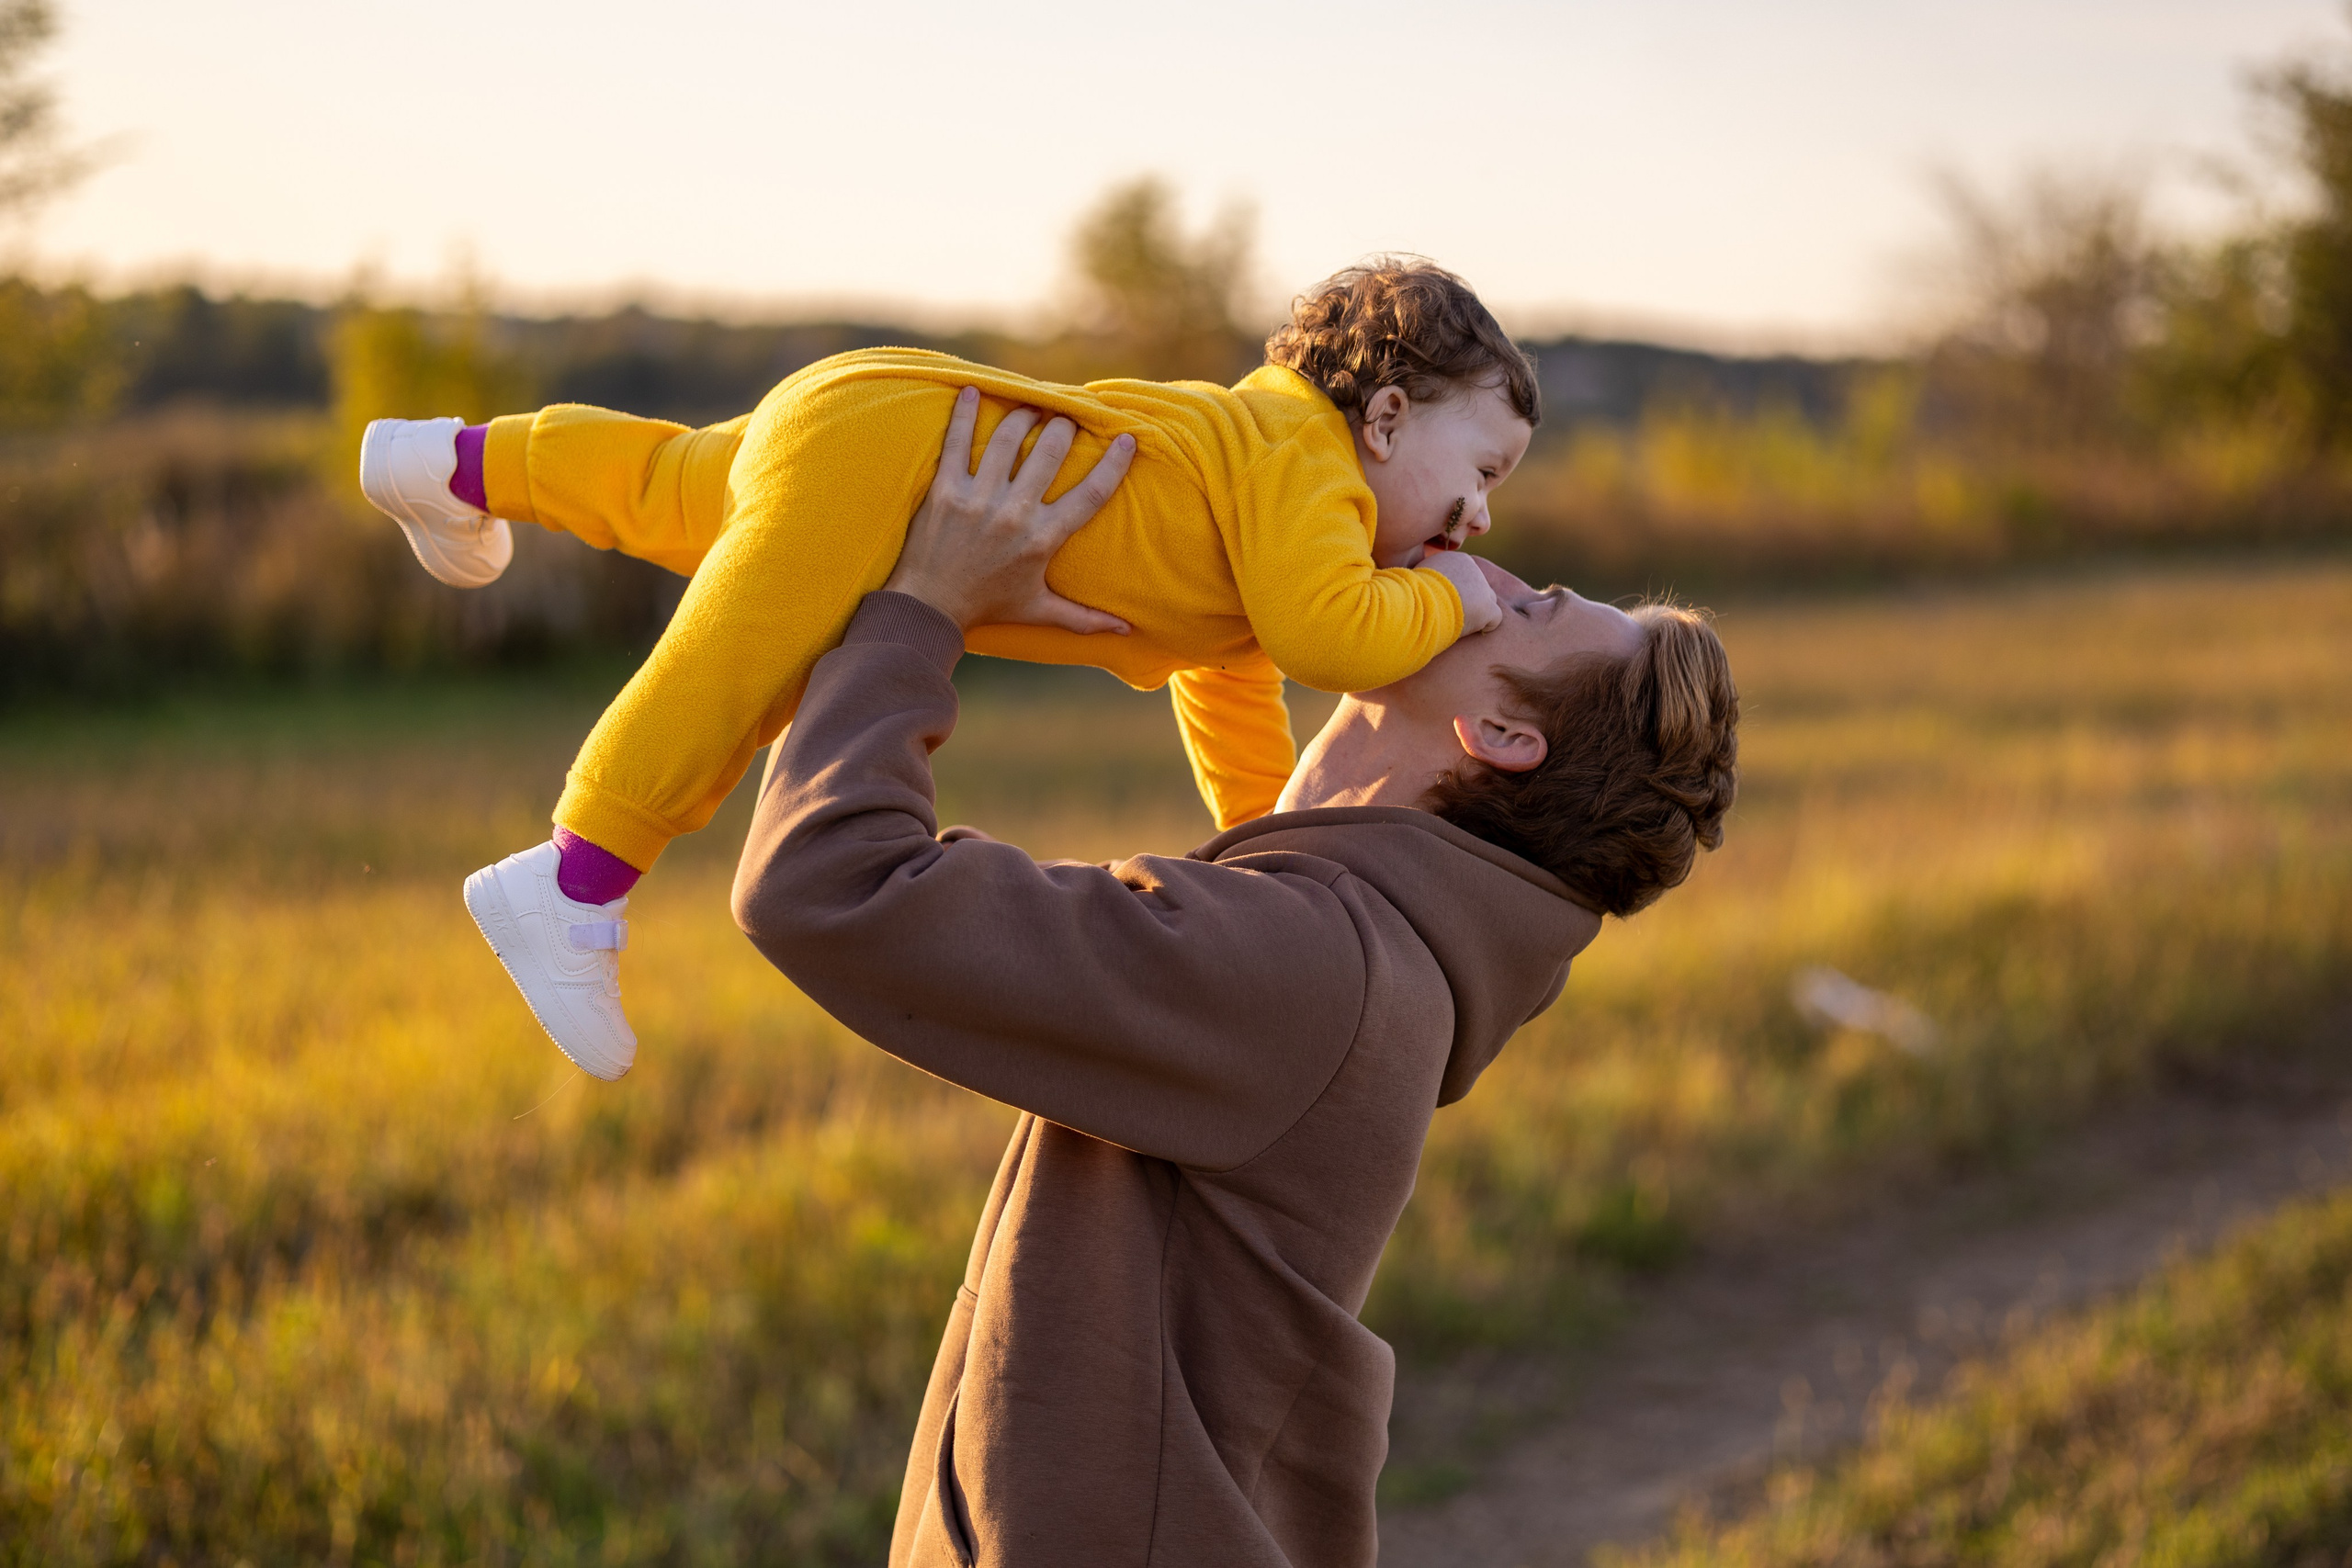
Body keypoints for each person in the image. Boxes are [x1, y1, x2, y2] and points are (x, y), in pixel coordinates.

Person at [729, 387, 1739, 1566]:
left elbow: (826, 882)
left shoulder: (1315, 965)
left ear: (1505, 736)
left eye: (1528, 609)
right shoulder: (1366, 947)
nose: (1485, 567)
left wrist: (919, 609)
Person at [357, 262, 1538, 1081]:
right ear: (1386, 417)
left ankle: (446, 464)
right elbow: (1331, 639)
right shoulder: (1310, 469)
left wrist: (1263, 845)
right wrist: (1452, 599)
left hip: (892, 415)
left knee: (670, 484)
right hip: (908, 444)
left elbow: (1230, 684)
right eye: (1481, 472)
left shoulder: (1258, 495)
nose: (1480, 518)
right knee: (745, 657)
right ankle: (573, 881)